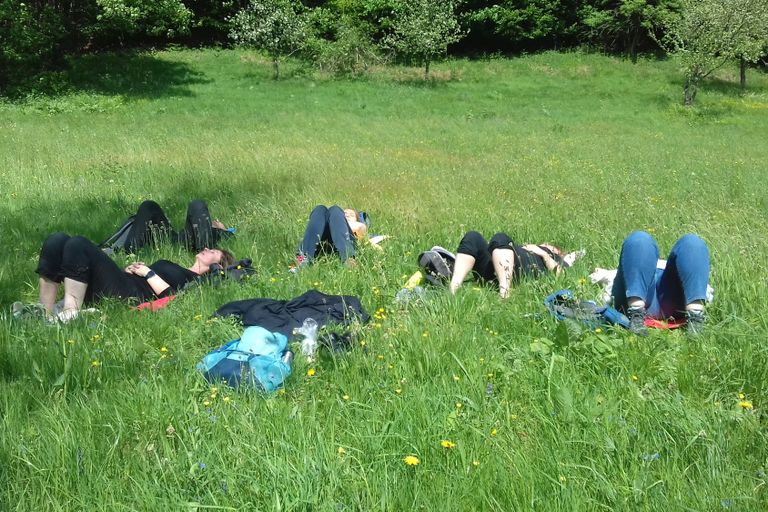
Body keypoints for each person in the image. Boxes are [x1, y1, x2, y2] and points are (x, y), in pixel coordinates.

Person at [34, 232, 234, 322]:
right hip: (124, 282)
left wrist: (148, 273)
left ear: (217, 265)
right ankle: (44, 312)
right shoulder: (180, 267)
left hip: (131, 295)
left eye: (213, 252)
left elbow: (172, 297)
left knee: (78, 244)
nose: (206, 248)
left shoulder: (196, 282)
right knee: (56, 241)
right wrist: (133, 270)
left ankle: (70, 314)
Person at [611, 230, 709, 336]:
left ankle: (636, 311)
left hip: (647, 297)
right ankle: (696, 314)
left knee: (692, 243)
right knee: (640, 239)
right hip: (673, 304)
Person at [450, 231, 568, 298]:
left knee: (500, 238)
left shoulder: (554, 257)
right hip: (495, 266)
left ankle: (504, 293)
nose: (546, 244)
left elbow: (561, 274)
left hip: (518, 271)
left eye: (549, 245)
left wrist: (545, 254)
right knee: (473, 237)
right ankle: (453, 290)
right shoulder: (519, 248)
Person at [123, 199, 230, 253]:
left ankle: (205, 254)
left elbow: (228, 237)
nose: (215, 221)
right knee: (149, 205)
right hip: (177, 240)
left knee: (197, 204)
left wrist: (222, 229)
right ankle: (131, 249)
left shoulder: (225, 234)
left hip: (199, 244)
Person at [296, 205, 367, 267]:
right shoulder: (335, 219)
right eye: (345, 214)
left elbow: (362, 230)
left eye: (352, 215)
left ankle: (348, 258)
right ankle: (303, 257)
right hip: (323, 238)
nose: (348, 215)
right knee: (319, 209)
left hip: (343, 242)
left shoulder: (359, 225)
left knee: (335, 209)